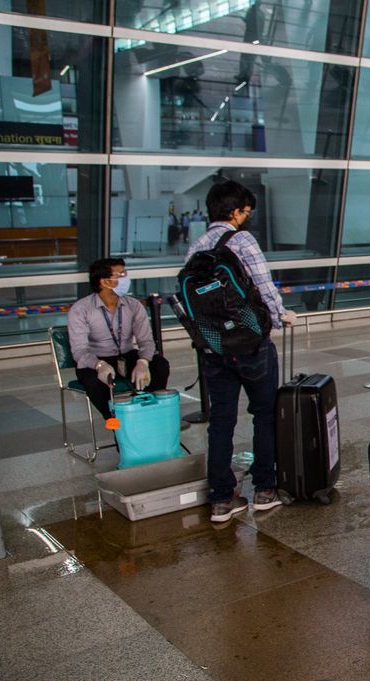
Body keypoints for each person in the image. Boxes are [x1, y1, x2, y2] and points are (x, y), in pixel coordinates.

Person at [185, 180, 297, 524]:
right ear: (235, 211)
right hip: (251, 345)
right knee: (264, 413)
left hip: (213, 347)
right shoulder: (242, 239)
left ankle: (221, 499)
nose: (247, 217)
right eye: (246, 211)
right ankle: (265, 489)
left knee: (220, 421)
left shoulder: (197, 246)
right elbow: (263, 286)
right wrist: (281, 316)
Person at [66, 258, 171, 421]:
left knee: (160, 365)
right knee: (93, 382)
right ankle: (115, 420)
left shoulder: (133, 305)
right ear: (104, 282)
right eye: (120, 274)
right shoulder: (80, 310)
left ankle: (148, 412)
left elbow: (146, 341)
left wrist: (143, 361)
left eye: (125, 273)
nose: (125, 278)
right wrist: (98, 365)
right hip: (96, 361)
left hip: (127, 356)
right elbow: (80, 350)